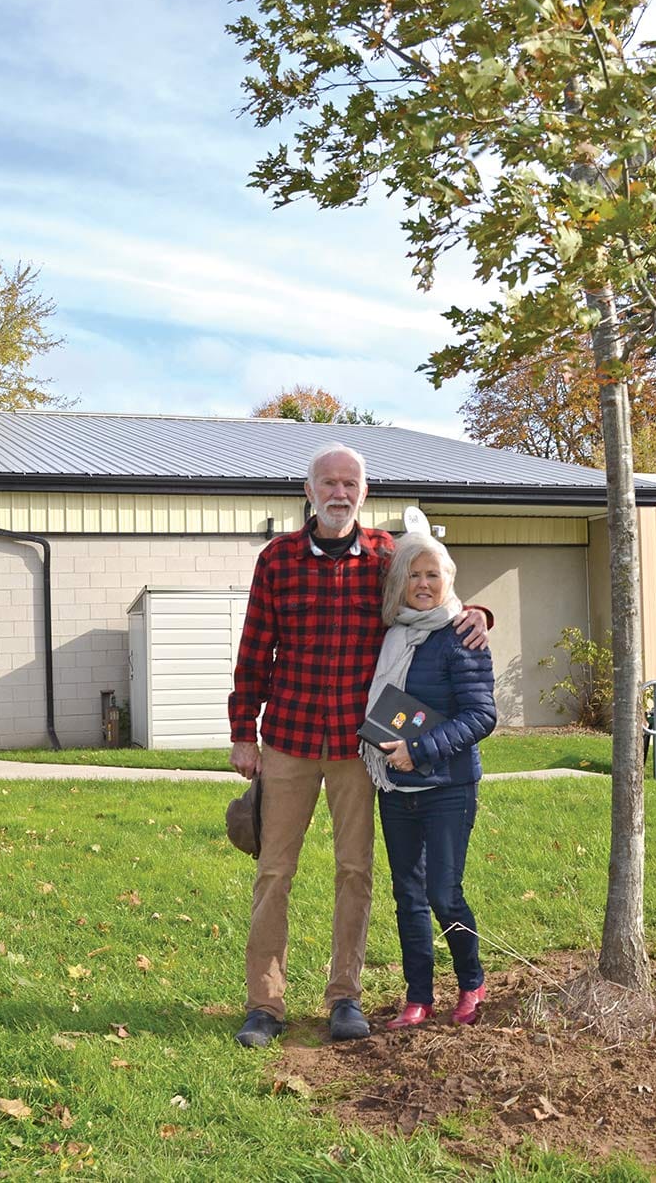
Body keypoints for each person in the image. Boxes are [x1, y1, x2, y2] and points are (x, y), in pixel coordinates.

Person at [228, 444, 489, 1048]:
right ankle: (264, 1004)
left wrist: (477, 612)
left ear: (364, 493)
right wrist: (244, 732)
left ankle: (344, 997)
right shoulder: (277, 560)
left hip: (358, 745)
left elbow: (434, 595)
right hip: (289, 739)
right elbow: (254, 650)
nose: (339, 493)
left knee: (355, 871)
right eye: (328, 483)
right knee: (274, 872)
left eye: (350, 483)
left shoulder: (385, 557)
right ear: (309, 491)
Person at [361, 533, 496, 1029]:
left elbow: (481, 716)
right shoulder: (391, 634)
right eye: (413, 575)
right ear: (399, 582)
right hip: (396, 790)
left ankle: (472, 983)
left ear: (448, 580)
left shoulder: (463, 634)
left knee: (443, 893)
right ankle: (418, 997)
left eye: (432, 575)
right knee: (409, 897)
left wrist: (417, 751)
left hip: (448, 789)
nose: (423, 584)